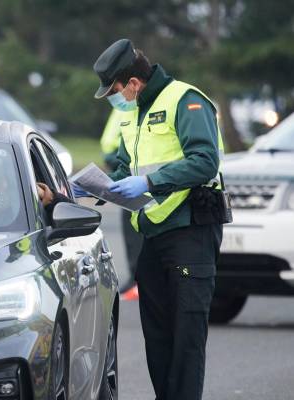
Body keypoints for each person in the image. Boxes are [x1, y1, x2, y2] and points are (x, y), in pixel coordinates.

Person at [84, 38, 226, 400]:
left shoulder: (186, 100)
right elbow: (121, 166)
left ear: (133, 82)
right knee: (159, 342)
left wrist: (149, 182)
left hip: (189, 233)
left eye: (115, 90)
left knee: (186, 342)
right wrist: (87, 188)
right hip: (152, 236)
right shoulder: (133, 113)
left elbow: (205, 160)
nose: (116, 98)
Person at [100, 109, 143, 292]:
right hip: (122, 168)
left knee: (137, 233)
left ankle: (139, 279)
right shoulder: (123, 106)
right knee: (130, 230)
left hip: (141, 179)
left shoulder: (138, 106)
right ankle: (136, 278)